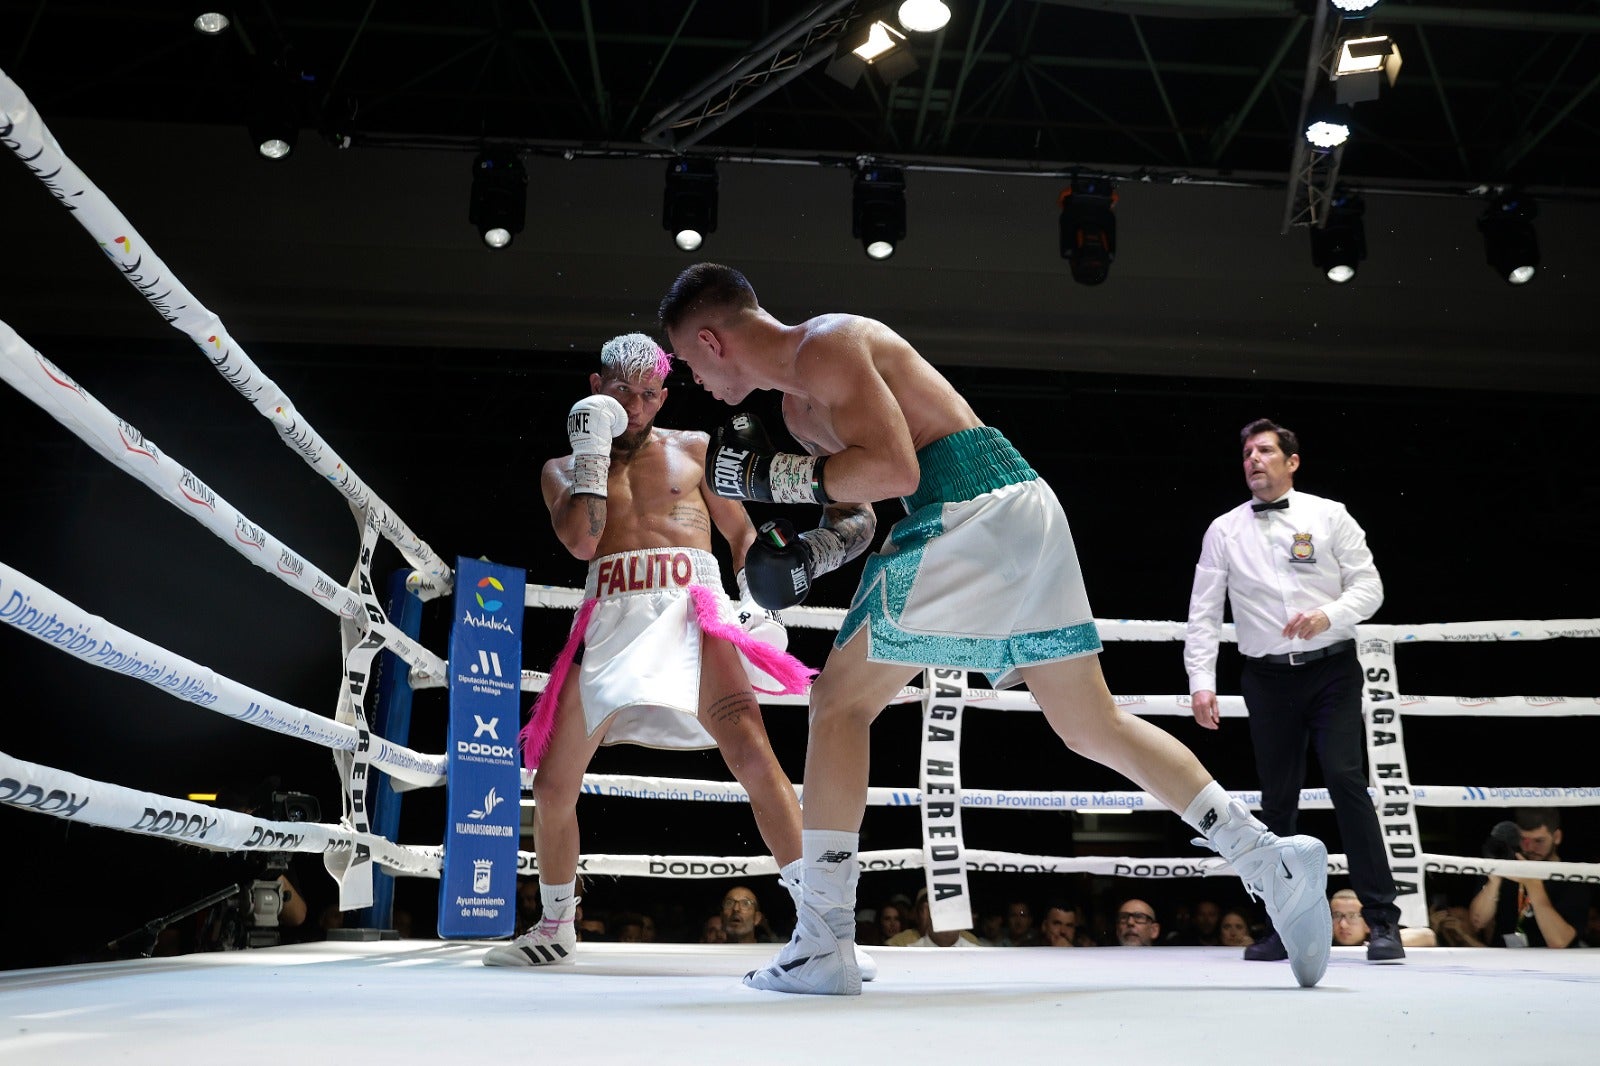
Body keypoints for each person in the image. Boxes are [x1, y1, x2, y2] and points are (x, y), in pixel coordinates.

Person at [660, 263, 1332, 996]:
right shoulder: (794, 412)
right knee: (1089, 723)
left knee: (840, 704)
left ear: (709, 339)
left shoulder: (830, 343)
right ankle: (1269, 858)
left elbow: (893, 471)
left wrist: (762, 481)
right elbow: (855, 513)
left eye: (690, 365)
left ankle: (824, 941)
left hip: (968, 508)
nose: (697, 382)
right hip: (1015, 510)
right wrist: (815, 551)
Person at [483, 333, 819, 970]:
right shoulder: (562, 469)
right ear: (595, 388)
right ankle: (556, 926)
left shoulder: (696, 450)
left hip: (692, 610)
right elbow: (584, 542)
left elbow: (742, 534)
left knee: (751, 751)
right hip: (609, 612)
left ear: (662, 397)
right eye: (620, 392)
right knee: (553, 783)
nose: (634, 407)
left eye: (646, 395)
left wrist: (756, 602)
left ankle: (822, 922)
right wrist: (590, 450)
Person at [1184, 417, 1402, 965]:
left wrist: (1327, 615)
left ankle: (1382, 922)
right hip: (1266, 677)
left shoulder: (1330, 516)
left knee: (1346, 779)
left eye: (1264, 451)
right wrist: (1202, 682)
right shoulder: (1224, 529)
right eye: (1247, 453)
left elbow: (1370, 586)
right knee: (1276, 800)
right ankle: (1284, 928)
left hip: (1331, 669)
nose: (1254, 460)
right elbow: (1205, 613)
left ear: (1291, 461)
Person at [1468, 808, 1589, 948]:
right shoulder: (1506, 865)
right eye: (1524, 840)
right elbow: (1477, 922)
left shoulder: (1573, 879)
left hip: (1554, 966)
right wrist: (1494, 881)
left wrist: (1532, 883)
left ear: (1556, 837)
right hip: (1504, 963)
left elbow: (1559, 941)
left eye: (1539, 841)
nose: (1530, 847)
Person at [1329, 888, 1434, 950]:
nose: (1343, 924)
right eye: (1337, 915)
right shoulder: (1321, 945)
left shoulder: (1378, 936)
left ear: (1367, 921)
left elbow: (1427, 936)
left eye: (1352, 916)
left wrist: (1381, 943)